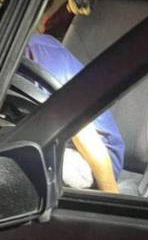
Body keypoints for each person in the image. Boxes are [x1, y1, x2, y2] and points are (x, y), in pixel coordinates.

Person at [26, 33, 124, 193]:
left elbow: (83, 132)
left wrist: (112, 200)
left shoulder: (39, 53)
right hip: (49, 141)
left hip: (90, 159)